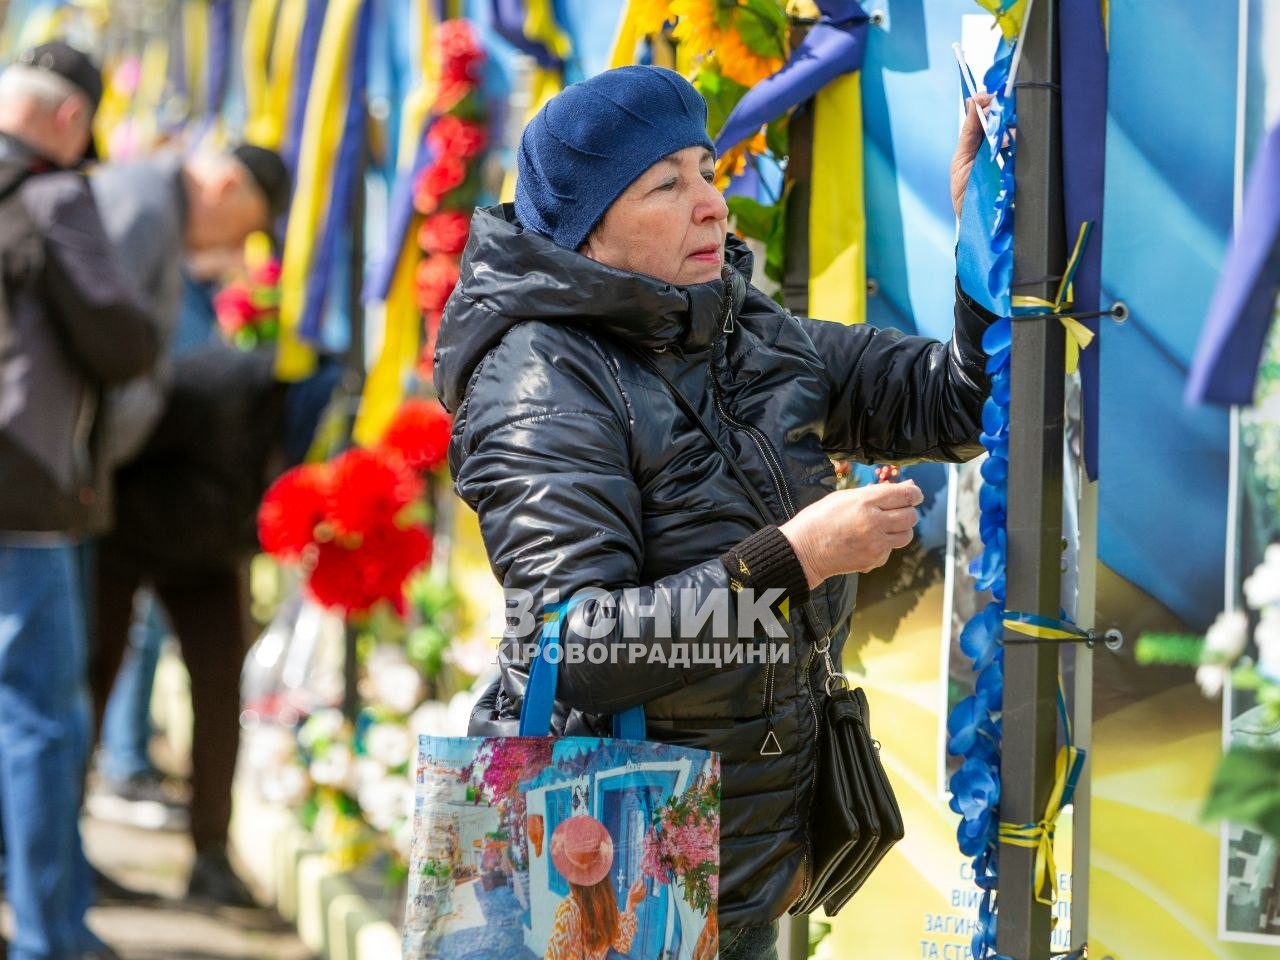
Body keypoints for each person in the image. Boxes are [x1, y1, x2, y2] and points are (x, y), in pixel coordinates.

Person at [434, 66, 994, 960]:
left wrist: (982, 237)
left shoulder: (743, 331)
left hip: (735, 882)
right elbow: (575, 645)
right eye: (667, 184)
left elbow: (958, 403)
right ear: (591, 231)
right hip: (601, 883)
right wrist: (793, 561)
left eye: (705, 169)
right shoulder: (540, 377)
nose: (712, 206)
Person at [84, 145, 289, 888]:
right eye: (245, 227)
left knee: (203, 684)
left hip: (192, 532)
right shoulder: (145, 212)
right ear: (227, 185)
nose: (237, 248)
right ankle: (71, 851)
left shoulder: (220, 288)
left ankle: (208, 851)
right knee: (98, 676)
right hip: (139, 519)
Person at [0, 40, 159, 960]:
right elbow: (120, 340)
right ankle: (50, 936)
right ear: (72, 119)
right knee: (38, 720)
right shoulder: (57, 196)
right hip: (24, 497)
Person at [543, 816, 644, 960]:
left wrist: (631, 904)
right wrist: (631, 905)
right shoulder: (605, 902)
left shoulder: (569, 910)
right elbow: (623, 944)